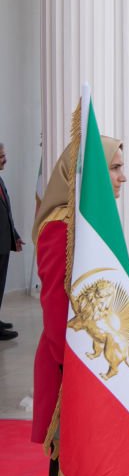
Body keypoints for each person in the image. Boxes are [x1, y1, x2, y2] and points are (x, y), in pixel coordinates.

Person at [33, 133, 129, 476]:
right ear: (88, 174)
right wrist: (85, 376)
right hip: (69, 379)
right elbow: (57, 320)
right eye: (115, 168)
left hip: (95, 371)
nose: (123, 177)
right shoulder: (59, 228)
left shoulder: (90, 222)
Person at [0, 143, 25, 339]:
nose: (5, 160)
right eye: (1, 157)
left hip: (3, 244)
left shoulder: (0, 180)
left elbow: (6, 213)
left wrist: (14, 235)